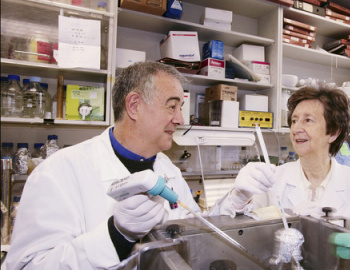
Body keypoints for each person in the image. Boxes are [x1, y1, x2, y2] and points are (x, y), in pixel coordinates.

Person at [6, 61, 203, 269]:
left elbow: (197, 232)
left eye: (180, 108)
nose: (180, 119)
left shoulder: (169, 171)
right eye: (172, 106)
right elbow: (27, 266)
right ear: (134, 106)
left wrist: (232, 203)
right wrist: (116, 237)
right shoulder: (58, 171)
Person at [211, 86, 350, 239]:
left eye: (308, 120)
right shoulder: (273, 179)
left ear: (333, 132)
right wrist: (238, 198)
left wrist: (326, 231)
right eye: (294, 120)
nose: (296, 129)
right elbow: (225, 230)